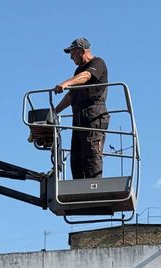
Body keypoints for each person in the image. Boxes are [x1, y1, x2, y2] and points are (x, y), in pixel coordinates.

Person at [53, 37, 109, 179]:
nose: (71, 57)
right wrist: (54, 112)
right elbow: (71, 96)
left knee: (91, 157)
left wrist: (66, 83)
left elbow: (86, 76)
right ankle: (78, 189)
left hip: (93, 116)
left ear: (82, 51)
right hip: (78, 119)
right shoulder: (78, 70)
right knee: (76, 160)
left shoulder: (98, 63)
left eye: (73, 53)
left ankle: (94, 191)